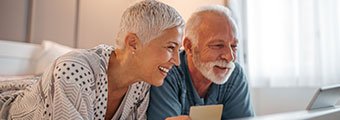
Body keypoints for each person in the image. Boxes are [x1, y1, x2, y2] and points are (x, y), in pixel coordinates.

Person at [1, 0, 185, 119]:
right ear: (133, 43)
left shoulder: (142, 84)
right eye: (170, 48)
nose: (177, 61)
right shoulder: (74, 69)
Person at [147, 5, 255, 120]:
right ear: (189, 46)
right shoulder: (166, 72)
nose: (230, 57)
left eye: (234, 46)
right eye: (218, 45)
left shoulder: (234, 74)